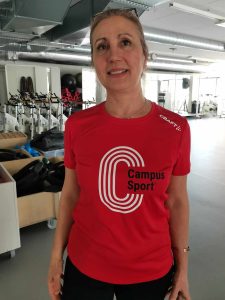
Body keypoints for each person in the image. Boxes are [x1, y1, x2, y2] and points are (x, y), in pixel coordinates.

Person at [48, 8, 191, 300]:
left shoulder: (175, 128)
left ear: (144, 55)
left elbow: (177, 201)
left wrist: (183, 266)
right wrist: (54, 256)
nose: (113, 55)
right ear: (94, 61)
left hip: (150, 270)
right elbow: (71, 194)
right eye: (102, 46)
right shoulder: (77, 125)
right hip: (85, 265)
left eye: (125, 42)